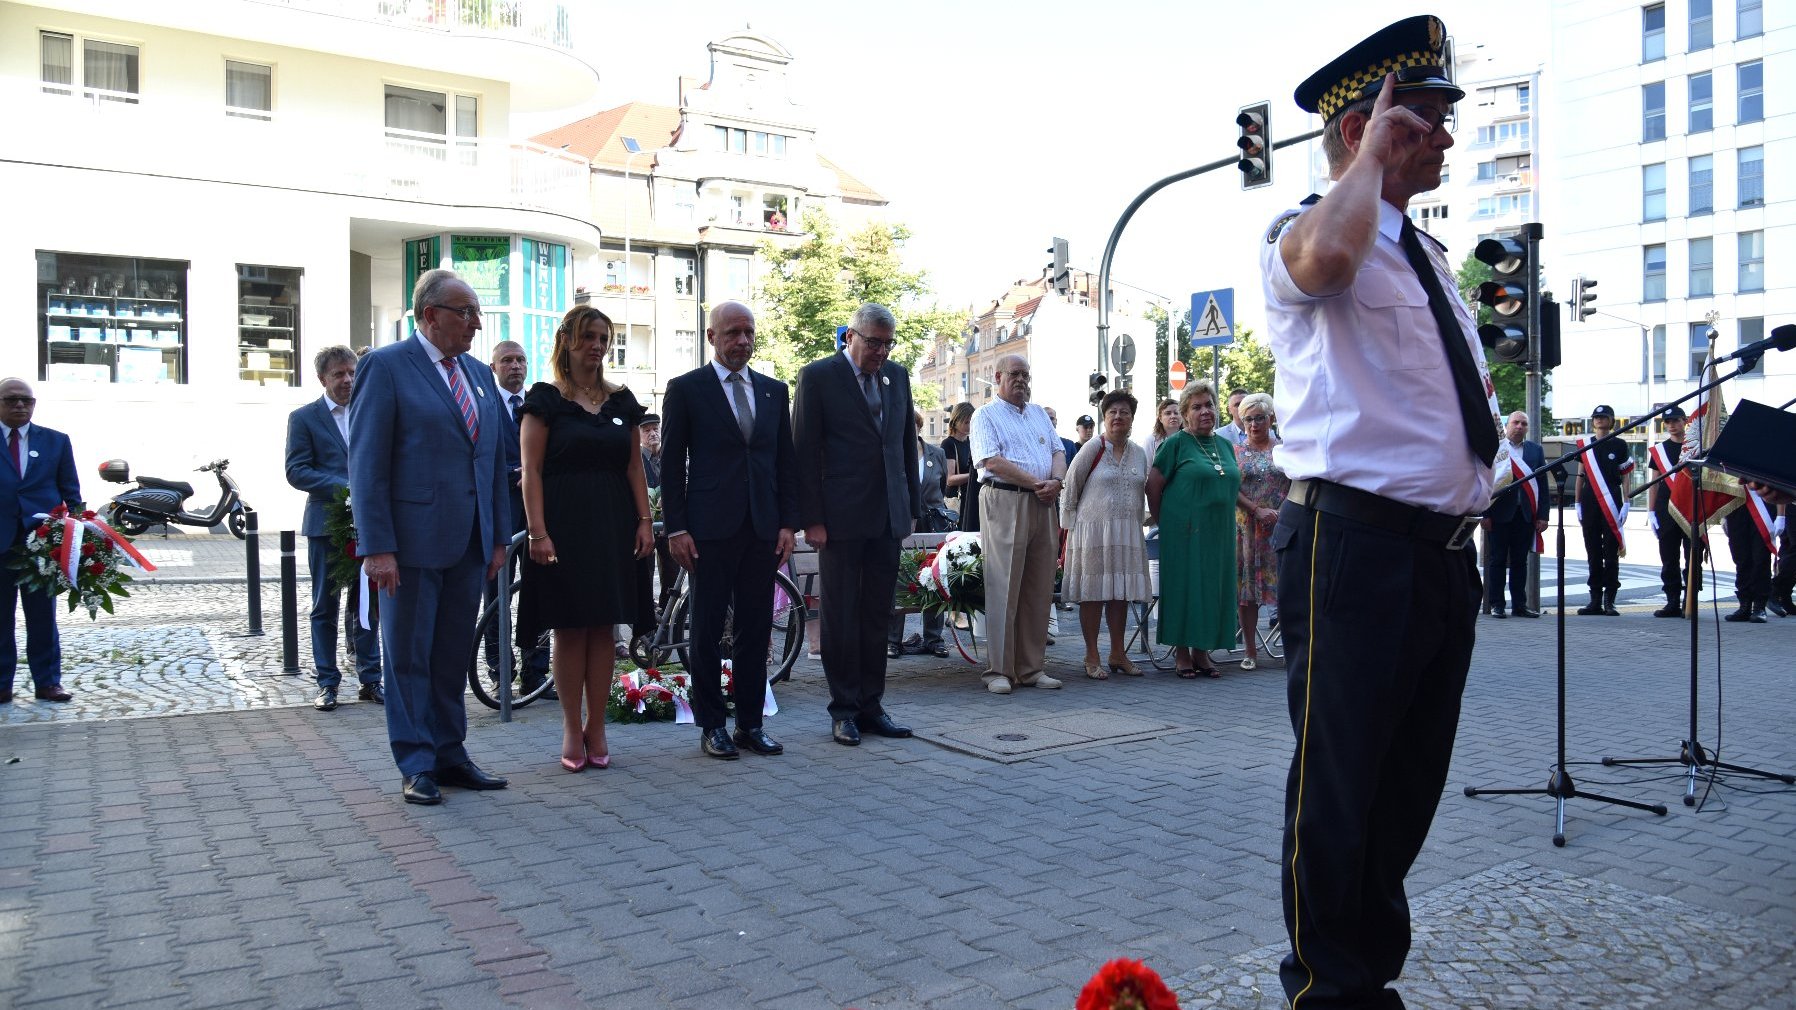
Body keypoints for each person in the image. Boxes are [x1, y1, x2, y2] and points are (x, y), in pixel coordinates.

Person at [1260, 18, 1500, 1007]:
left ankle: (1368, 973)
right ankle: (1325, 985)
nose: (1445, 136)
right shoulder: (1313, 229)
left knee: (1405, 783)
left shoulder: (1426, 255)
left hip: (1439, 556)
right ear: (1366, 128)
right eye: (1425, 118)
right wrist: (1361, 161)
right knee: (1339, 779)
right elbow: (1319, 264)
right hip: (1351, 544)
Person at [349, 268, 511, 806]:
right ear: (429, 315)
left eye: (477, 313)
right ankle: (416, 762)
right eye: (465, 312)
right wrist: (377, 546)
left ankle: (451, 753)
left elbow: (491, 460)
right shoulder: (387, 366)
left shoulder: (478, 375)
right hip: (411, 544)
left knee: (449, 655)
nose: (476, 323)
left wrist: (497, 537)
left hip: (469, 543)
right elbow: (366, 462)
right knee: (409, 657)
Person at [517, 306, 655, 771]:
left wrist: (643, 520)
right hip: (563, 527)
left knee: (605, 628)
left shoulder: (622, 401)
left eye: (603, 337)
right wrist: (538, 531)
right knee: (570, 629)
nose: (597, 346)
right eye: (588, 337)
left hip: (615, 525)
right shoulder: (545, 398)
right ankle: (572, 728)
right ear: (567, 341)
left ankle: (598, 726)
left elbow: (635, 467)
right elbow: (530, 472)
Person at [661, 301, 798, 760]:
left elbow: (785, 462)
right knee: (705, 628)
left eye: (748, 332)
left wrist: (786, 524)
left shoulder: (774, 392)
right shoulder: (686, 389)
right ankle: (712, 725)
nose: (742, 340)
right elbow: (671, 463)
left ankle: (750, 724)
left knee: (756, 628)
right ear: (711, 337)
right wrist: (676, 527)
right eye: (732, 333)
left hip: (761, 528)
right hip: (709, 530)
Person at [795, 302, 921, 746]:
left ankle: (872, 706)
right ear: (851, 336)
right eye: (873, 343)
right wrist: (812, 519)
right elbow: (804, 452)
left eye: (888, 344)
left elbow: (905, 446)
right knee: (841, 615)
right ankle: (843, 708)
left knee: (876, 615)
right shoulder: (818, 377)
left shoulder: (897, 377)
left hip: (887, 515)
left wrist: (909, 509)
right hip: (839, 518)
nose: (881, 352)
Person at [285, 345, 382, 712]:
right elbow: (297, 470)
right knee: (325, 606)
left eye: (352, 373)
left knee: (367, 605)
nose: (348, 380)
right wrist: (345, 487)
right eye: (339, 374)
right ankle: (327, 682)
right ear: (322, 379)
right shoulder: (305, 418)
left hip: (370, 526)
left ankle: (371, 679)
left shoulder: (369, 412)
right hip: (328, 525)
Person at [969, 353, 1065, 694]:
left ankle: (1031, 668)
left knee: (1039, 588)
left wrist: (1055, 480)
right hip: (1005, 499)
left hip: (1043, 502)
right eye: (1015, 374)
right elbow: (990, 460)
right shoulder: (985, 415)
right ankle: (998, 670)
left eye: (1026, 374)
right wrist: (1036, 483)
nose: (1022, 380)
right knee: (1003, 586)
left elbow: (1058, 451)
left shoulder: (1039, 413)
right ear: (998, 378)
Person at [1146, 381, 1239, 678]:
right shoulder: (1176, 443)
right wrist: (1165, 523)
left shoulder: (1225, 445)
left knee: (1212, 589)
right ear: (1185, 414)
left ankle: (1203, 651)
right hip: (1183, 532)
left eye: (1209, 405)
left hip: (1220, 533)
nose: (1204, 411)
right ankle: (1183, 653)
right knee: (1185, 589)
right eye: (1196, 407)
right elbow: (1153, 485)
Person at [1059, 390, 1151, 679]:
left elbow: (1141, 491)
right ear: (1104, 417)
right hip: (1092, 533)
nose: (1118, 417)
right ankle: (1091, 654)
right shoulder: (1092, 448)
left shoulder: (1139, 453)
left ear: (1132, 418)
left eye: (1124, 412)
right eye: (1112, 412)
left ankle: (1117, 653)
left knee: (1120, 595)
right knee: (1093, 595)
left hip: (1127, 533)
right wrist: (1068, 528)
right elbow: (1070, 485)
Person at [0, 378, 80, 705]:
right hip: (1, 543)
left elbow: (71, 492)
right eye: (11, 400)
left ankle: (47, 682)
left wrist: (77, 531)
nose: (20, 405)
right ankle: (2, 684)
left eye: (26, 401)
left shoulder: (56, 442)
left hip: (41, 545)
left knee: (43, 617)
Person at [483, 339, 550, 698]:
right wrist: (517, 472)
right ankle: (500, 674)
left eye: (521, 360)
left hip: (536, 512)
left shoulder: (538, 406)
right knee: (496, 596)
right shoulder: (484, 404)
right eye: (507, 360)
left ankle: (536, 674)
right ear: (493, 367)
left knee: (540, 591)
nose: (515, 366)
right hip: (500, 512)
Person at [1232, 393, 1289, 667]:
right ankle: (1250, 651)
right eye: (1248, 419)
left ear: (1271, 419)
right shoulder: (1235, 453)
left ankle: (1291, 648)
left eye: (1259, 418)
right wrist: (1256, 510)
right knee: (1248, 594)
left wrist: (1283, 511)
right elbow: (1232, 489)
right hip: (1248, 529)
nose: (1254, 424)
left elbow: (1297, 484)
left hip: (1281, 527)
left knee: (1286, 589)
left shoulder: (1284, 449)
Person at [890, 408, 950, 659]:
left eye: (911, 426)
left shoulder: (937, 453)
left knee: (935, 576)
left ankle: (934, 638)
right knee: (899, 579)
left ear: (918, 428)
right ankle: (892, 640)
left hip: (933, 524)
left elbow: (942, 486)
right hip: (902, 524)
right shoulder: (892, 454)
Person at [1480, 410, 1548, 620]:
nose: (1520, 427)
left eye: (1524, 424)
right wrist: (1485, 513)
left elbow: (1543, 485)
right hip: (1499, 514)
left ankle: (1520, 605)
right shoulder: (1497, 448)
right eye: (1516, 423)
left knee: (1520, 561)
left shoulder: (1535, 451)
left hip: (1525, 514)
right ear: (1507, 425)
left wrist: (1543, 515)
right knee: (1497, 560)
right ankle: (1497, 604)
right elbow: (1486, 481)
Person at [1573, 404, 1632, 616]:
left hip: (1612, 498)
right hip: (1590, 499)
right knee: (1593, 550)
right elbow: (1580, 475)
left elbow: (1625, 475)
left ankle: (1610, 600)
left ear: (1611, 420)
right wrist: (1578, 502)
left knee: (1610, 550)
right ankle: (1595, 599)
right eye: (1596, 417)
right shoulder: (1585, 445)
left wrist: (1627, 502)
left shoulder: (1620, 444)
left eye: (1603, 417)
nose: (1599, 420)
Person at [1648, 405, 1693, 618]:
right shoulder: (1659, 450)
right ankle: (1672, 600)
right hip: (1665, 508)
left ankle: (1690, 598)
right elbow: (1655, 482)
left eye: (1676, 420)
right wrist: (1651, 511)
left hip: (1691, 507)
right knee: (1669, 556)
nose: (1672, 425)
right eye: (1668, 422)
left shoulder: (1695, 447)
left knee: (1692, 555)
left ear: (1685, 421)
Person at [941, 402, 977, 533]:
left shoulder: (971, 442)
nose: (969, 426)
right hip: (958, 500)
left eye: (971, 422)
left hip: (971, 497)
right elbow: (949, 479)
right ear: (956, 421)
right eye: (966, 422)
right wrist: (974, 475)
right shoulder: (948, 444)